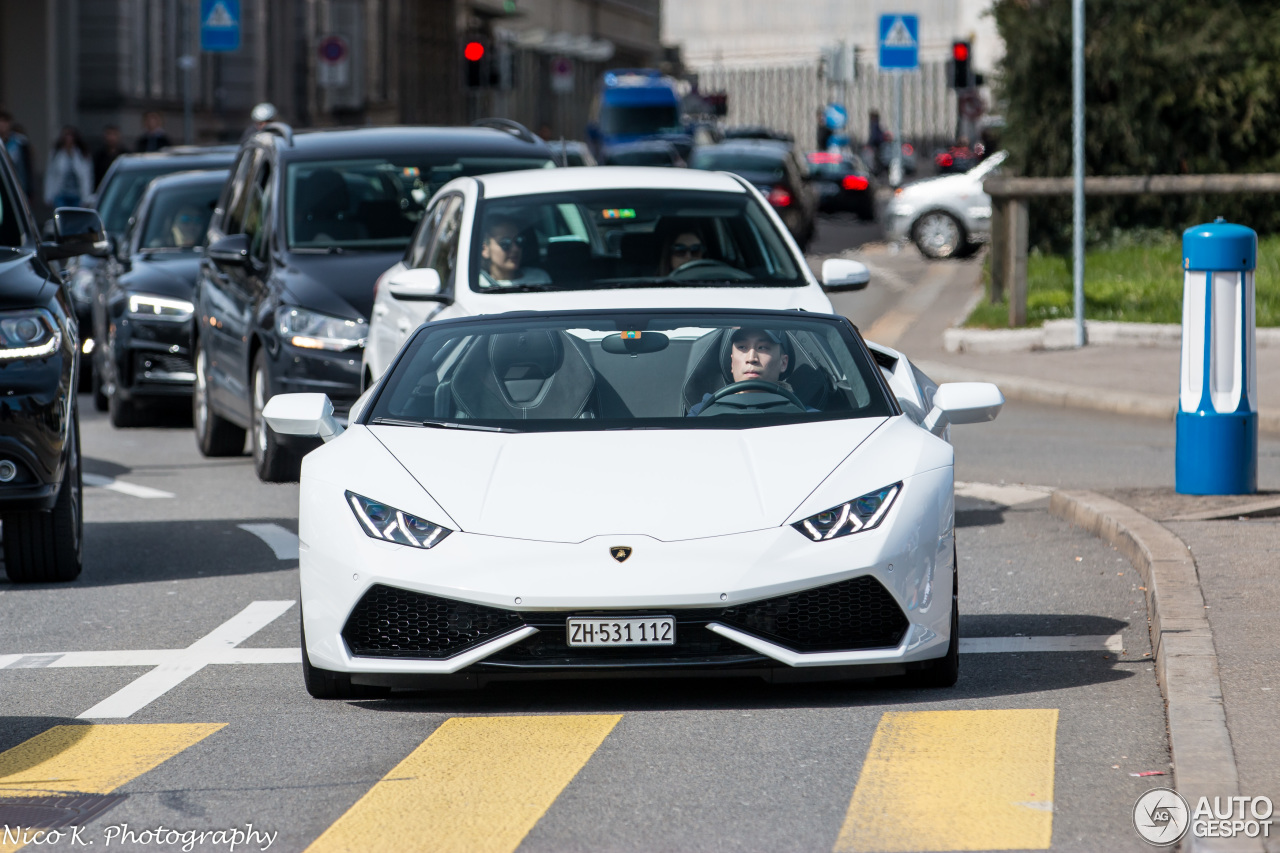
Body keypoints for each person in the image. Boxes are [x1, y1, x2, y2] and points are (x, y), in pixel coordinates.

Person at [688, 327, 813, 416]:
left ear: (783, 363)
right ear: (732, 362)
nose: (751, 358)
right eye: (742, 347)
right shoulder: (700, 413)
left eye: (762, 347)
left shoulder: (810, 418)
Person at [479, 216, 550, 287]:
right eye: (505, 243)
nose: (515, 248)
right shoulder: (477, 284)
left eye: (519, 241)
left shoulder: (539, 278)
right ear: (485, 249)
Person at [43, 126, 94, 209]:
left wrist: (87, 197)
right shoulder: (56, 154)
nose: (68, 139)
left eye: (70, 136)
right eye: (66, 136)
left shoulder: (82, 154)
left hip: (77, 195)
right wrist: (48, 195)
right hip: (60, 194)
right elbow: (50, 175)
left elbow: (87, 176)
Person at [0, 110, 35, 200]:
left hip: (17, 187)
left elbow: (27, 166)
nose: (2, 125)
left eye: (5, 121)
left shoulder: (20, 142)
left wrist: (29, 189)